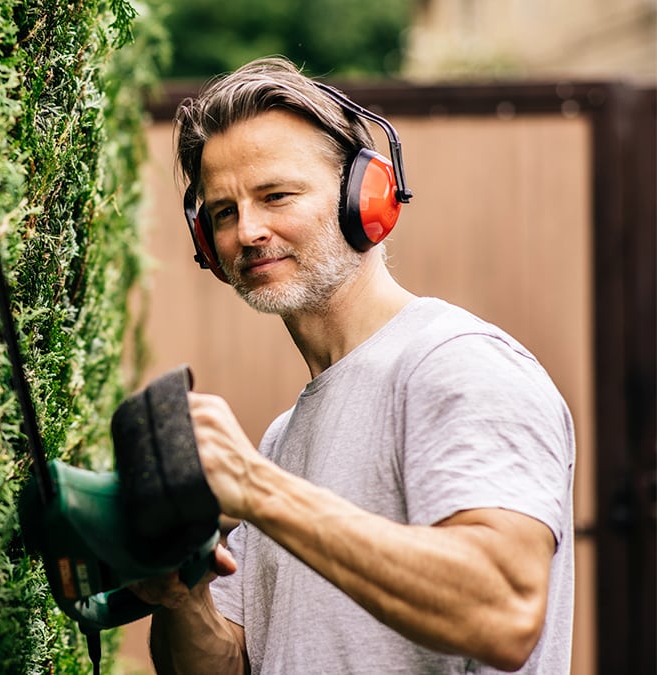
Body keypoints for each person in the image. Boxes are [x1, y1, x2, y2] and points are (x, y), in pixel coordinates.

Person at [133, 56, 576, 674]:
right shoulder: (282, 441)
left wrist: (258, 491)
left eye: (276, 196)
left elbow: (504, 613)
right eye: (224, 212)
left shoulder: (457, 364)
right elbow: (228, 665)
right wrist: (181, 594)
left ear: (365, 196)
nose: (248, 231)